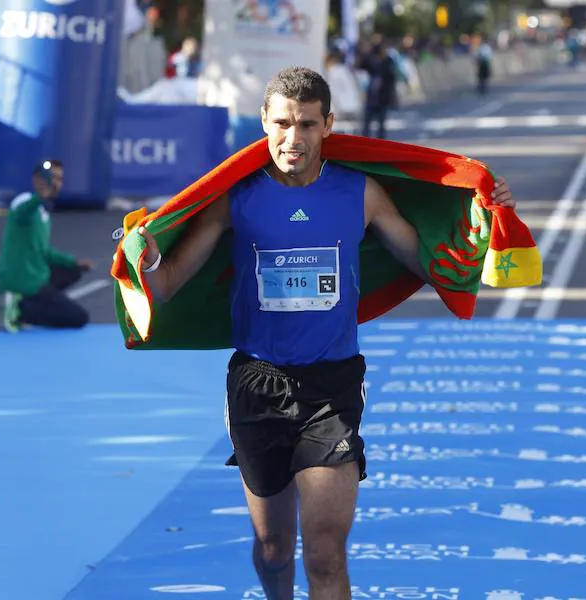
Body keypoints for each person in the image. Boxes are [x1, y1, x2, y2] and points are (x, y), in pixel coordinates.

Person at [135, 66, 516, 600]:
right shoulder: (234, 199)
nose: (294, 139)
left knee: (325, 554)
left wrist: (480, 218)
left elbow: (428, 262)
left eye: (308, 125)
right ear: (264, 123)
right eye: (283, 124)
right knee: (273, 551)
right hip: (257, 384)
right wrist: (148, 260)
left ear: (328, 125)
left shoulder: (361, 194)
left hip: (331, 387)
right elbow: (169, 284)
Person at [0, 160, 93, 333]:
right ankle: (20, 311)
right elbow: (20, 214)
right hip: (21, 276)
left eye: (60, 179)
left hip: (35, 273)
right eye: (51, 178)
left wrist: (73, 262)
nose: (56, 183)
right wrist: (39, 197)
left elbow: (44, 251)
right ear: (37, 180)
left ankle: (29, 302)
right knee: (79, 318)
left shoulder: (43, 213)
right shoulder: (25, 201)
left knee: (73, 270)